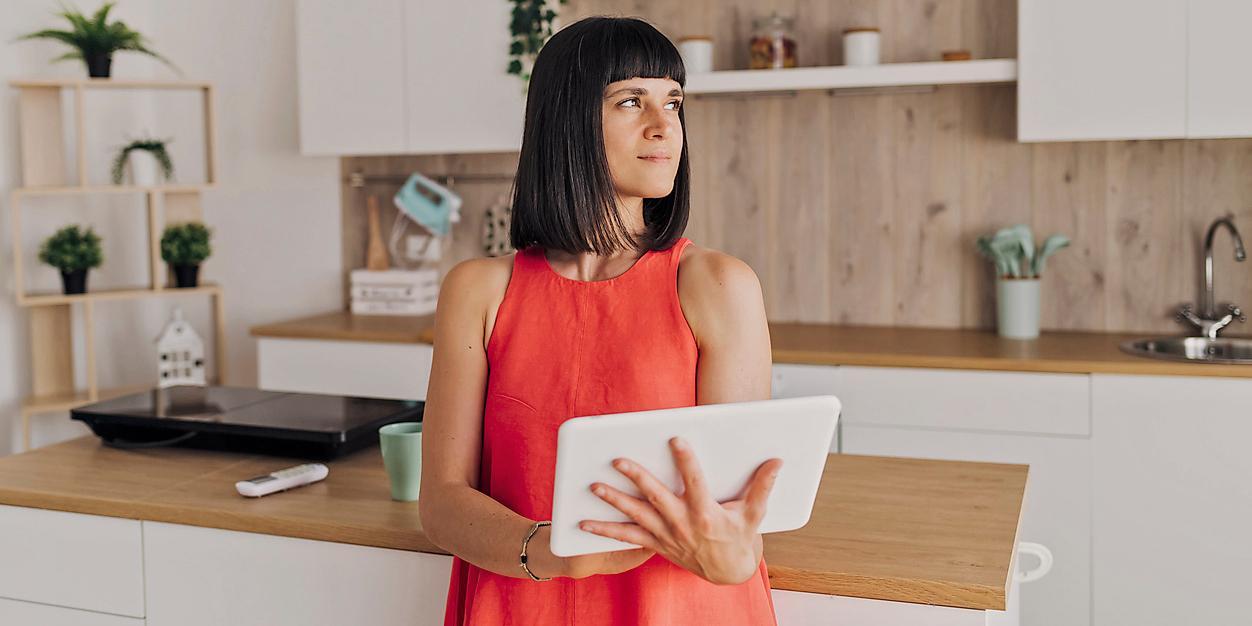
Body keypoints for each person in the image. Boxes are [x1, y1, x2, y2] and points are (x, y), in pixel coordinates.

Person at [419, 15, 781, 626]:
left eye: (673, 102)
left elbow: (734, 538)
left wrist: (732, 553)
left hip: (676, 610)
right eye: (631, 101)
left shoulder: (718, 286)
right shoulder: (479, 291)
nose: (664, 125)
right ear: (569, 121)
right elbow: (442, 503)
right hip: (522, 606)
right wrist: (554, 553)